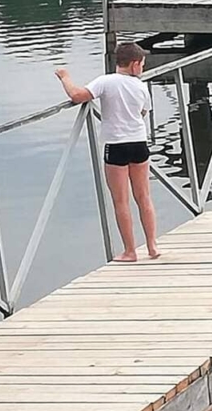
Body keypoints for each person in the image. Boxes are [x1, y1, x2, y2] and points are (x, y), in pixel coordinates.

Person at [55, 43, 158, 262]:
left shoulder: (106, 81)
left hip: (116, 145)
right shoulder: (141, 86)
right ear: (134, 65)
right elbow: (143, 112)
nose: (143, 68)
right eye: (142, 64)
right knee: (144, 197)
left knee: (121, 201)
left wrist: (65, 77)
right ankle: (152, 246)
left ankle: (130, 251)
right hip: (139, 142)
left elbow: (77, 95)